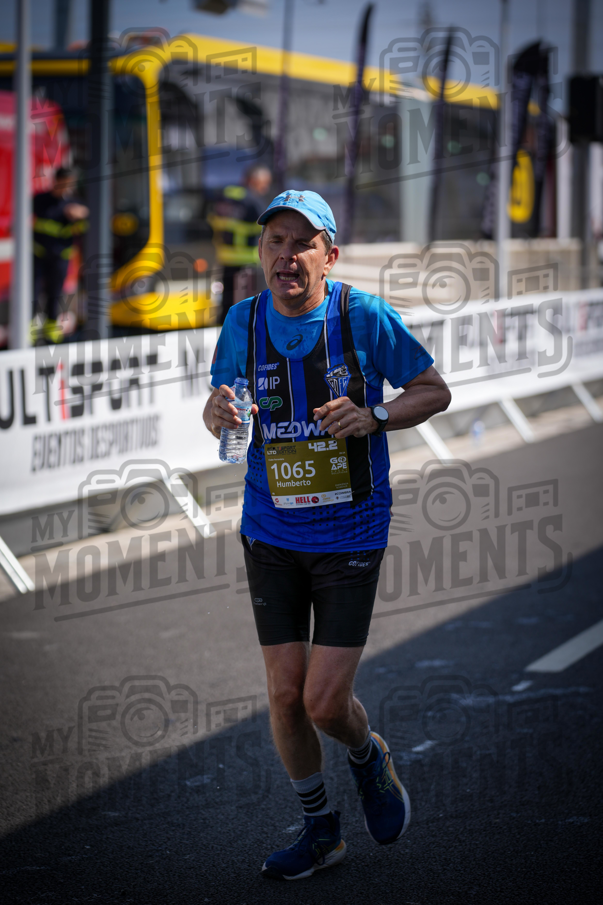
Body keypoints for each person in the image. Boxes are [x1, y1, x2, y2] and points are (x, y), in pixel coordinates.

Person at [203, 190, 451, 881]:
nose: (286, 256)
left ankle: (368, 756)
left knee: (323, 702)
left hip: (350, 530)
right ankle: (320, 831)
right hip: (270, 528)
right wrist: (216, 410)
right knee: (285, 693)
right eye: (275, 242)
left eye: (302, 243)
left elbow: (433, 390)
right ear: (262, 252)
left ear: (329, 256)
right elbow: (222, 409)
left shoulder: (361, 315)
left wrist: (375, 415)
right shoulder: (243, 320)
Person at [208, 164, 272, 325]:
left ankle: (224, 329)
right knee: (249, 305)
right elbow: (268, 226)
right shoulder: (252, 200)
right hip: (247, 260)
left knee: (227, 300)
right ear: (252, 180)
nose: (265, 188)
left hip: (226, 257)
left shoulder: (224, 196)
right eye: (264, 183)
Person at [32, 167, 88, 344]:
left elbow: (85, 228)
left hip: (61, 257)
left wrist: (83, 215)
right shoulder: (40, 200)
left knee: (55, 294)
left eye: (71, 184)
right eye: (65, 182)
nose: (68, 187)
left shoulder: (75, 203)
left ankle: (51, 331)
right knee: (33, 292)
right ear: (56, 181)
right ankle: (29, 329)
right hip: (39, 254)